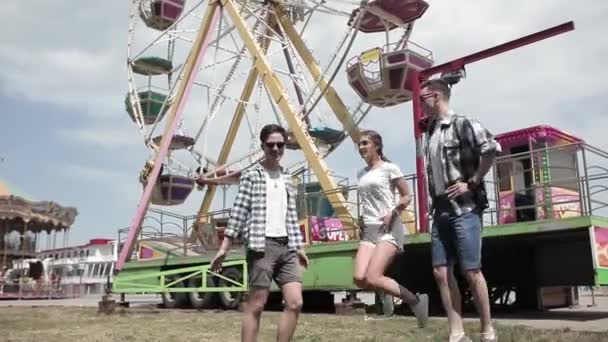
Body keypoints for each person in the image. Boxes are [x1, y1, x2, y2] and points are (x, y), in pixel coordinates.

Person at [209, 124, 309, 342]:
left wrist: (299, 247)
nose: (275, 149)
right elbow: (239, 211)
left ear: (285, 146)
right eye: (270, 145)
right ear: (262, 146)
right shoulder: (251, 175)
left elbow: (291, 213)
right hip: (261, 246)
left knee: (295, 303)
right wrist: (224, 248)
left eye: (280, 145)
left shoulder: (288, 178)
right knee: (257, 305)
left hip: (288, 247)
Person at [420, 78, 500, 342]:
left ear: (436, 97)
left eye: (422, 99)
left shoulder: (463, 124)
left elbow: (491, 148)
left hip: (464, 208)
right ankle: (457, 332)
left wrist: (472, 182)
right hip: (440, 209)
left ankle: (487, 329)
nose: (420, 104)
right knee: (440, 272)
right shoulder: (430, 131)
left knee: (471, 270)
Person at [353, 129, 429, 327]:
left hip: (389, 228)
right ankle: (391, 294)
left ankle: (415, 301)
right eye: (359, 144)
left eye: (364, 143)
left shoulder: (389, 168)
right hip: (369, 230)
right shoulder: (360, 173)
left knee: (373, 276)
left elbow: (406, 195)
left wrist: (393, 212)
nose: (360, 148)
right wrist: (361, 218)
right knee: (359, 278)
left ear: (376, 146)